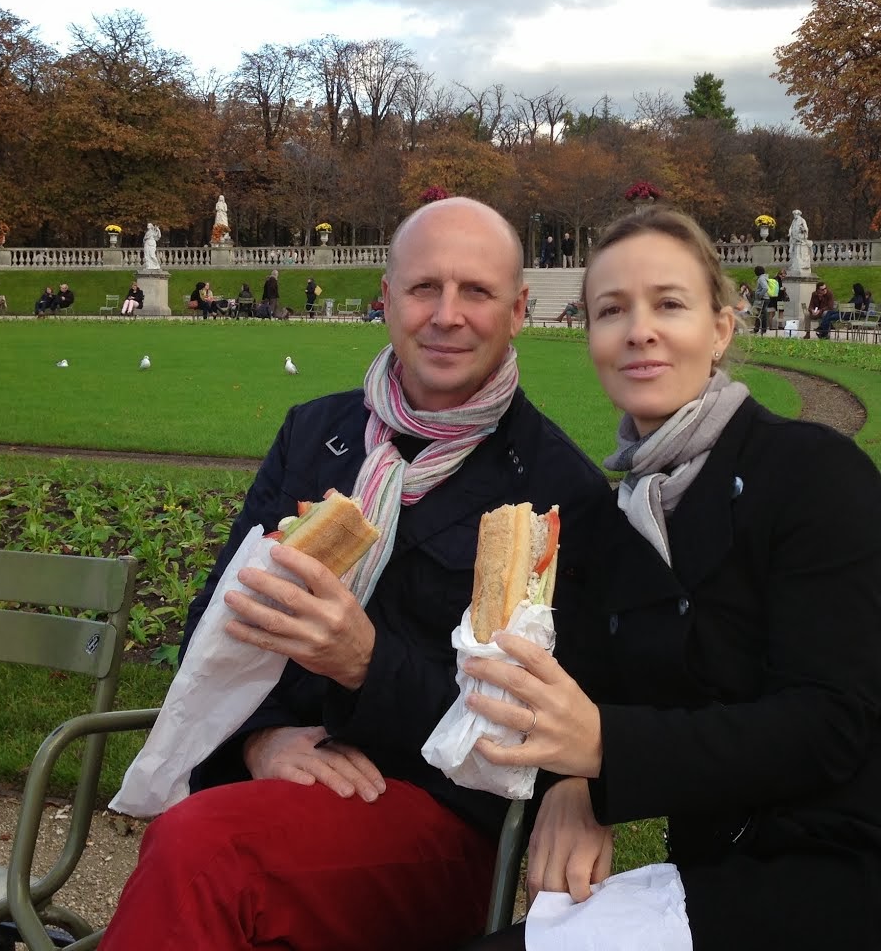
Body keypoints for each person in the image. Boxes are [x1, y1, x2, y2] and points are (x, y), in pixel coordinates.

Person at [456, 208, 881, 950]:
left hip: (864, 880)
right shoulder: (608, 522)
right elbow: (582, 693)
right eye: (612, 311)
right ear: (591, 340)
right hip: (717, 882)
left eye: (668, 304)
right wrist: (572, 785)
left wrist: (602, 753)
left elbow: (827, 725)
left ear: (721, 328)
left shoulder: (814, 474)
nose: (639, 330)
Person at [99, 198, 613, 951]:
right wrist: (259, 740)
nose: (447, 315)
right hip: (278, 787)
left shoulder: (554, 488)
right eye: (423, 288)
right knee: (206, 852)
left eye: (476, 292)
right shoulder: (316, 432)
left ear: (518, 311)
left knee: (207, 853)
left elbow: (519, 733)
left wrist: (366, 663)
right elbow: (219, 618)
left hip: (435, 813)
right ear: (385, 299)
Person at [751, 266, 771, 334]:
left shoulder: (761, 278)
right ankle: (758, 329)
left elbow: (765, 288)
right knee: (759, 313)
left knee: (761, 314)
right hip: (765, 298)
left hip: (763, 298)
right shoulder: (764, 277)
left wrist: (760, 295)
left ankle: (762, 329)